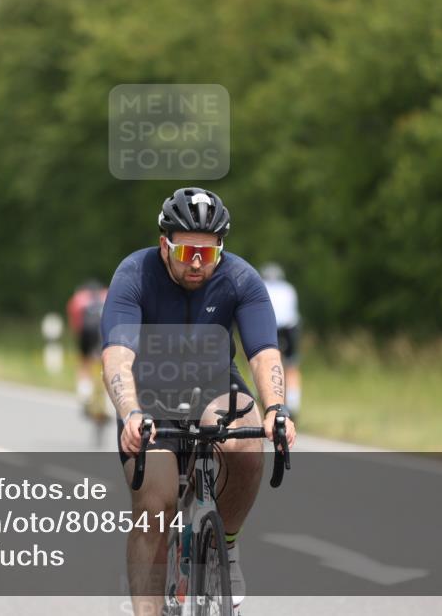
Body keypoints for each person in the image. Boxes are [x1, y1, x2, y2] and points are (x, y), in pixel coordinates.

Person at [101, 187, 297, 616]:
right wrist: (130, 412)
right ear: (164, 245)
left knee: (246, 442)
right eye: (187, 251)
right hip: (149, 395)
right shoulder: (134, 274)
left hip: (212, 386)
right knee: (156, 505)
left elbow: (263, 352)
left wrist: (276, 409)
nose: (196, 263)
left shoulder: (241, 278)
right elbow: (118, 355)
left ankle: (226, 547)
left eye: (208, 254)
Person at [260, 262, 303, 416]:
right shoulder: (288, 288)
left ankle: (263, 398)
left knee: (263, 362)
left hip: (268, 327)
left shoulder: (261, 286)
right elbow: (293, 314)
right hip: (289, 329)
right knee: (291, 366)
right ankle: (293, 404)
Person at [66, 279, 109, 421]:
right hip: (104, 331)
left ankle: (84, 394)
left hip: (86, 332)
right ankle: (108, 403)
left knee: (84, 363)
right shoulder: (107, 294)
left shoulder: (78, 298)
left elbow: (75, 326)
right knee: (108, 364)